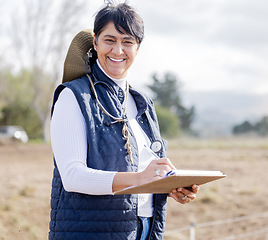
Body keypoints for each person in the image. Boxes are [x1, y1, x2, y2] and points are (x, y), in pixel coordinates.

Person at [49, 2, 199, 240]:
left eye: (127, 41)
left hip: (145, 228)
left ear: (138, 48)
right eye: (110, 40)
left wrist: (170, 186)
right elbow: (72, 176)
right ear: (95, 41)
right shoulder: (73, 96)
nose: (118, 50)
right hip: (93, 232)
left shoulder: (142, 102)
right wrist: (140, 179)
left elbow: (143, 170)